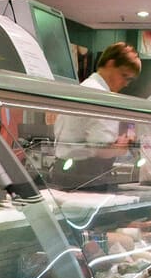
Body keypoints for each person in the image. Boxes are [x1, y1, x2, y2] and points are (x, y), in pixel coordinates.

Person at [52, 42, 141, 189]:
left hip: (62, 170)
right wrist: (123, 147)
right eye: (125, 76)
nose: (125, 83)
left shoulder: (81, 88)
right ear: (110, 64)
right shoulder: (102, 96)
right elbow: (102, 150)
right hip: (85, 176)